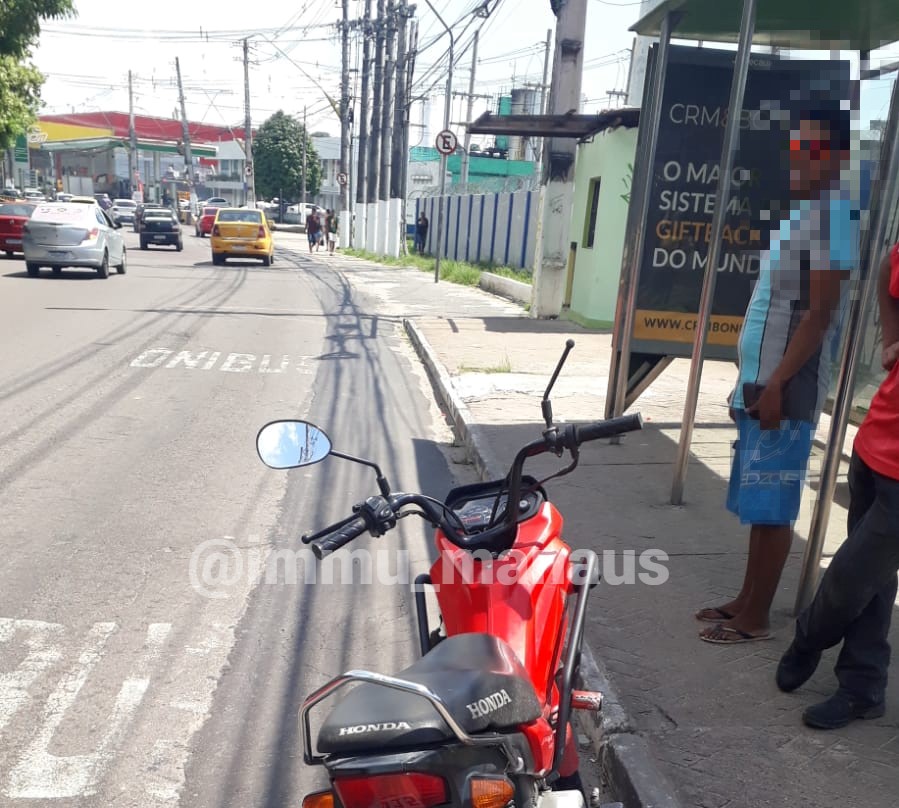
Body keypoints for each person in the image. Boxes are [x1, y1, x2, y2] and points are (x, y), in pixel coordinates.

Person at [697, 98, 859, 645]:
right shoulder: (805, 216)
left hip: (785, 389)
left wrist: (777, 386)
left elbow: (818, 317)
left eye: (812, 149)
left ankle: (757, 618)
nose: (799, 158)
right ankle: (746, 599)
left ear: (837, 157)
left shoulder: (835, 221)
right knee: (758, 503)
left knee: (773, 505)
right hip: (762, 383)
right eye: (797, 147)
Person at [775, 243, 899, 729]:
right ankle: (863, 686)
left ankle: (809, 636)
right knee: (874, 578)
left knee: (852, 573)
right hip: (876, 440)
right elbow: (889, 268)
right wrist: (891, 338)